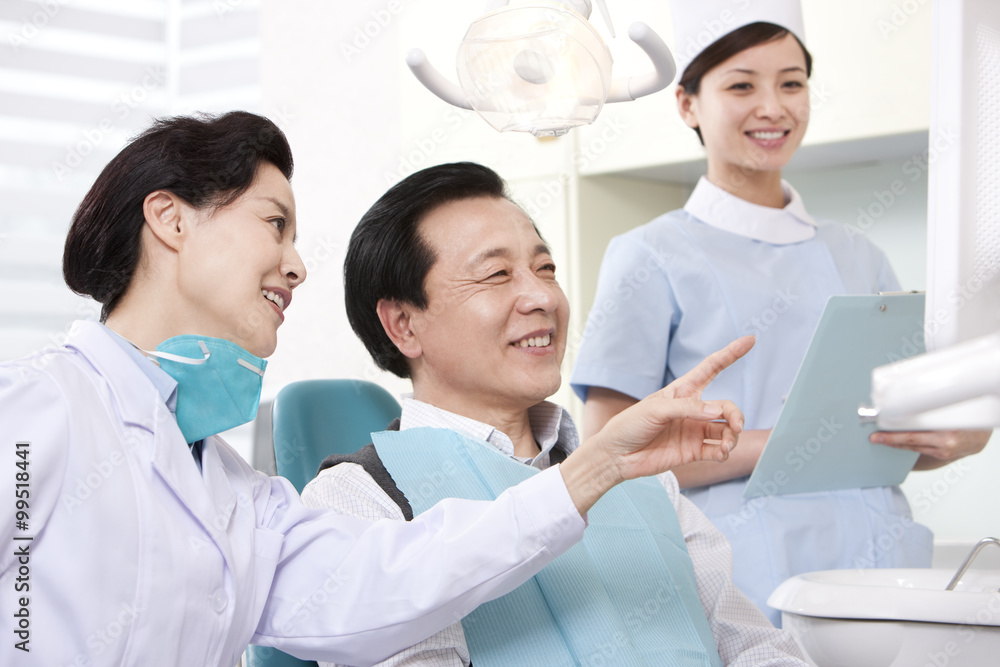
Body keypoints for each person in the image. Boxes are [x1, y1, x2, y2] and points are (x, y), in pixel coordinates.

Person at [0, 111, 758, 667]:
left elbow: (402, 578)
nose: (297, 266)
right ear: (168, 218)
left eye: (544, 266)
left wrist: (596, 465)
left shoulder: (239, 495)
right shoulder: (37, 411)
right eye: (275, 224)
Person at [569, 1, 991, 626]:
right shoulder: (650, 255)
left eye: (792, 83)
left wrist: (960, 437)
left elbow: (909, 427)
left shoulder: (858, 253)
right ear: (687, 103)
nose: (774, 107)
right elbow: (609, 454)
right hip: (736, 577)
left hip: (879, 572)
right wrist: (795, 443)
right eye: (742, 84)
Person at [302, 160, 808, 666]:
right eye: (497, 274)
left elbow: (755, 646)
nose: (543, 296)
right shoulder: (358, 500)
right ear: (404, 325)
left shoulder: (650, 483)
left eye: (546, 269)